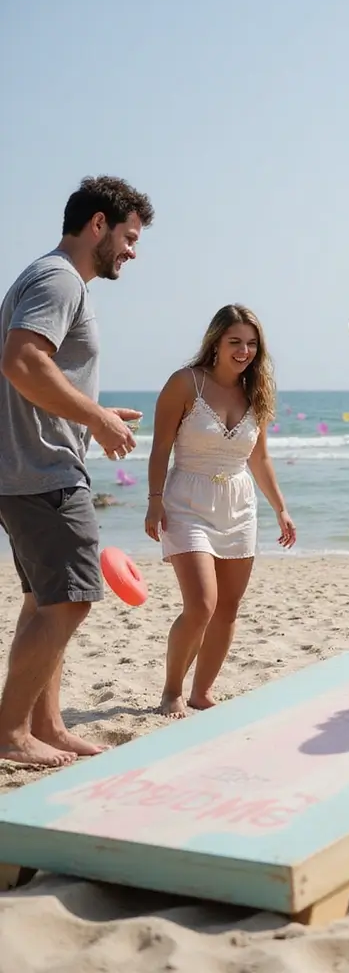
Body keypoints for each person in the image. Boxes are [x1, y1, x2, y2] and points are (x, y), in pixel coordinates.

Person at [0, 175, 154, 768]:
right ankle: (11, 730)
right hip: (44, 471)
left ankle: (47, 723)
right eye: (129, 236)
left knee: (48, 599)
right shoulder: (59, 279)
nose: (131, 251)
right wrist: (96, 417)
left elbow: (39, 371)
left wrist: (90, 414)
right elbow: (19, 361)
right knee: (70, 601)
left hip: (30, 466)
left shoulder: (48, 277)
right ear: (98, 225)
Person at [145, 304, 296, 717]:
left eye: (251, 343)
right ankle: (172, 691)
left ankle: (202, 691)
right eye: (235, 342)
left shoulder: (257, 391)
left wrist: (280, 509)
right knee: (202, 606)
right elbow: (160, 447)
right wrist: (154, 500)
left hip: (239, 504)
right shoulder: (185, 383)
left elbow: (260, 459)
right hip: (186, 502)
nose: (244, 350)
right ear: (215, 342)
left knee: (228, 608)